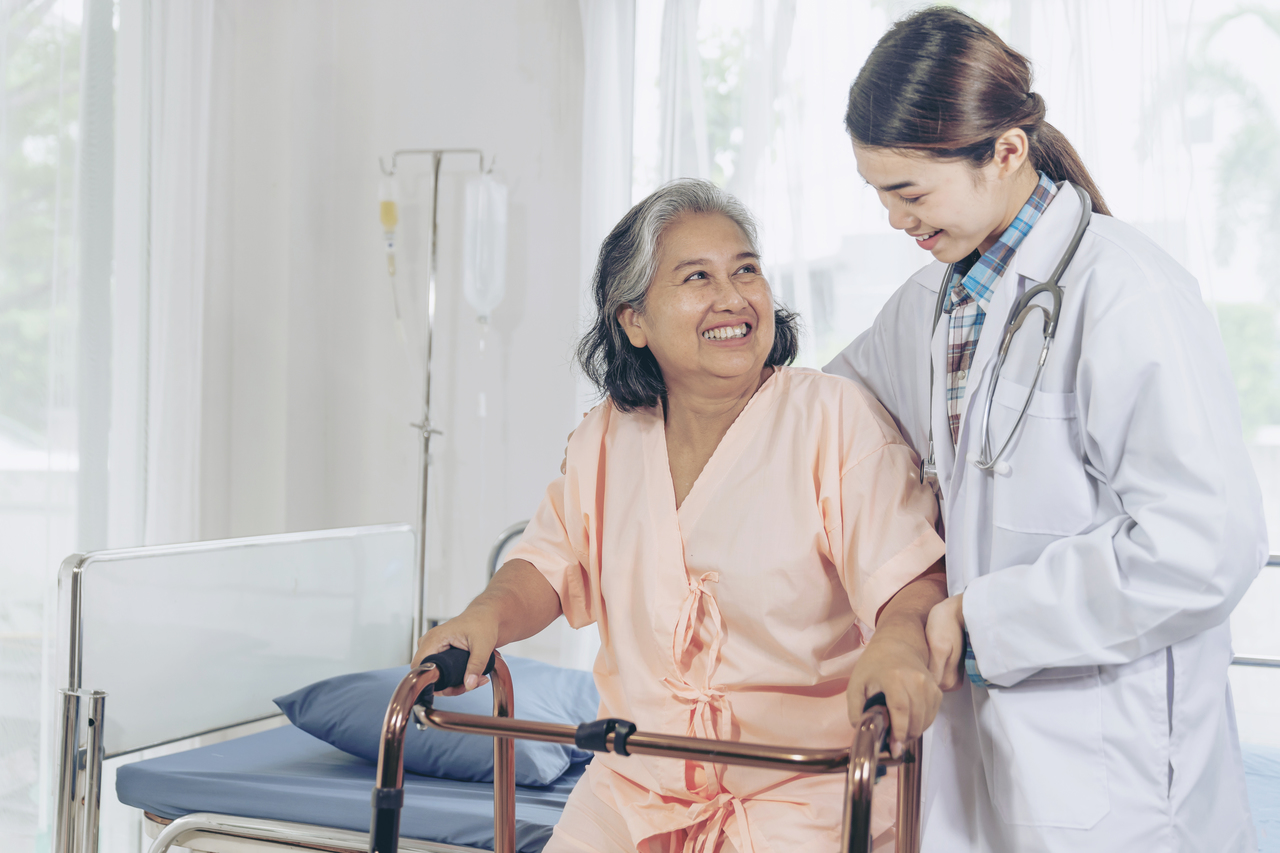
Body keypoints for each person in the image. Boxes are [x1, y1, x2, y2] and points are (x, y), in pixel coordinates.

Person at [824, 7, 1267, 853]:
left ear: (1006, 153)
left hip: (1125, 780)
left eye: (909, 191)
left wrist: (987, 619)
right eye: (877, 192)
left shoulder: (1125, 290)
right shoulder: (931, 303)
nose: (893, 220)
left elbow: (1208, 540)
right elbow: (824, 419)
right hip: (984, 764)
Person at [415, 179, 946, 852]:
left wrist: (900, 644)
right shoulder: (607, 437)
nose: (732, 297)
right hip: (636, 784)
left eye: (746, 270)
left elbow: (908, 576)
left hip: (795, 795)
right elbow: (547, 565)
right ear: (633, 319)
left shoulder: (831, 418)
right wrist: (481, 617)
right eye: (697, 277)